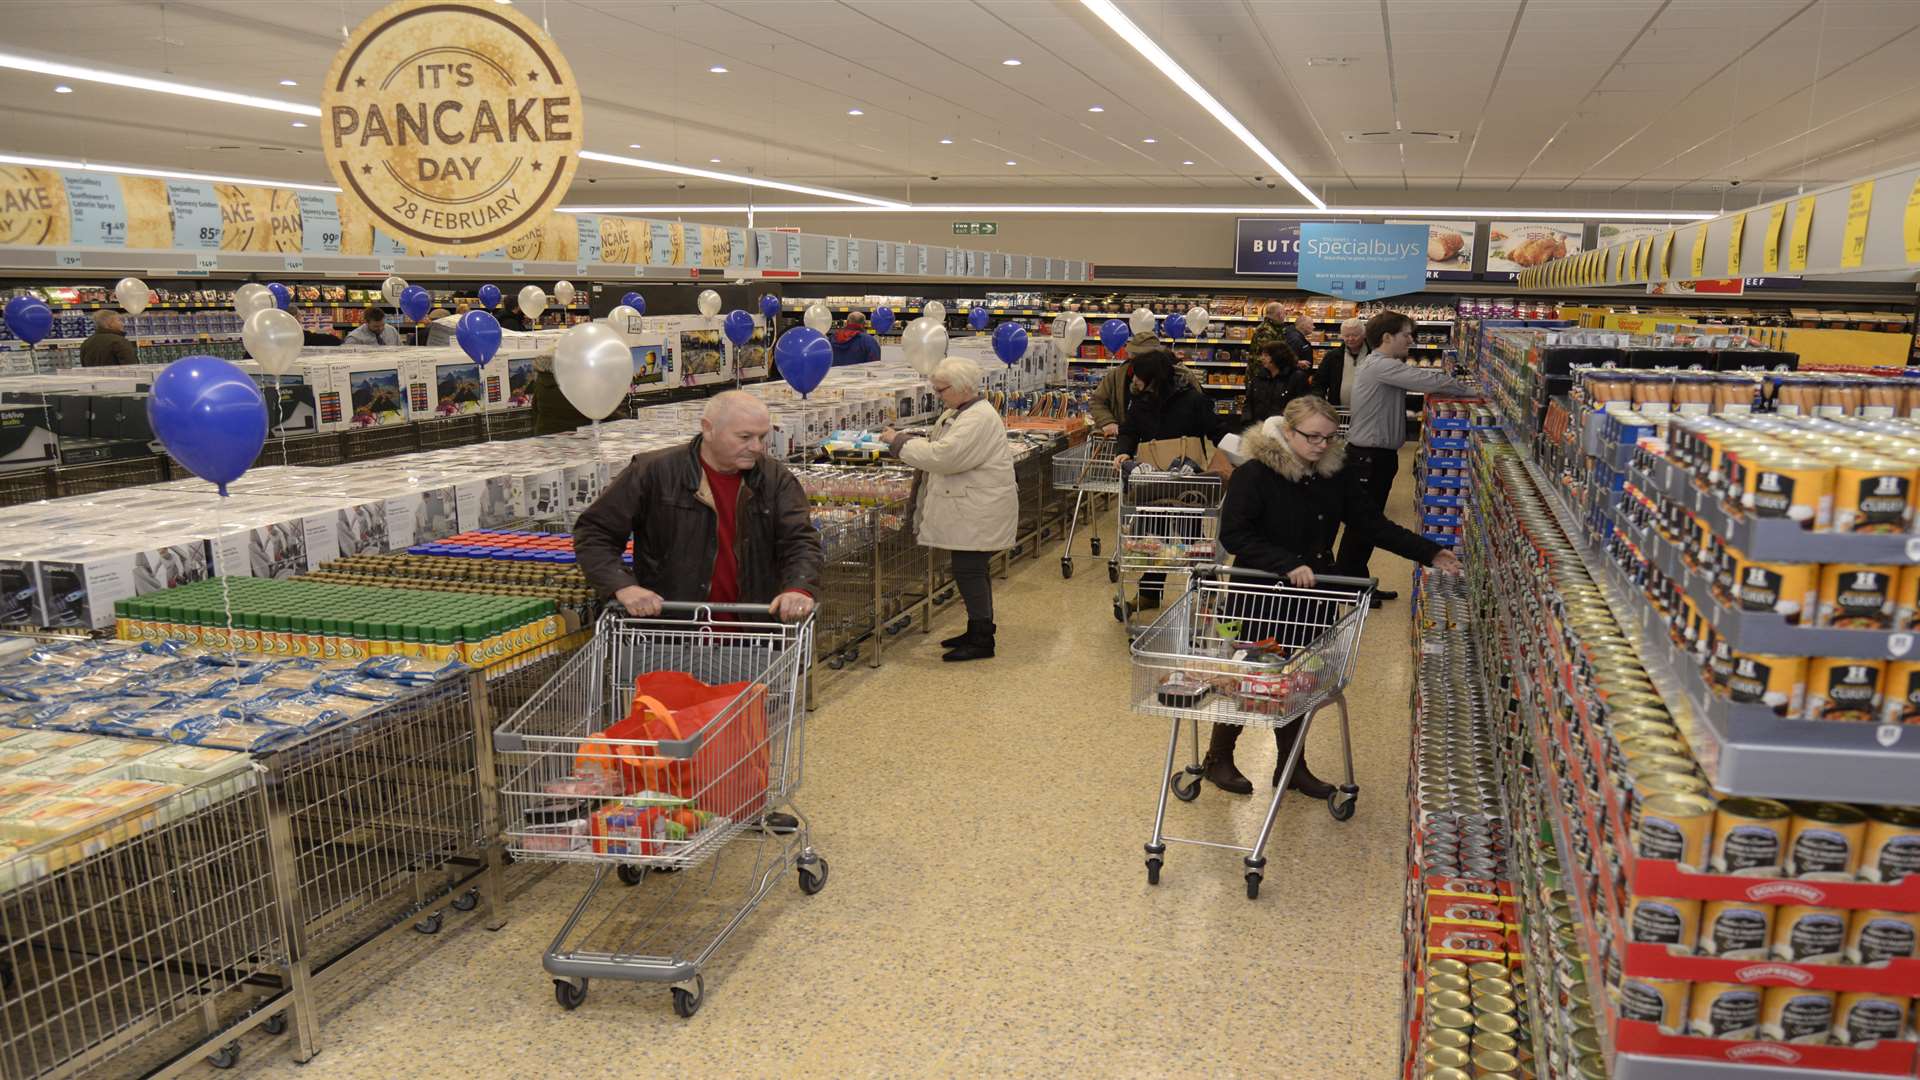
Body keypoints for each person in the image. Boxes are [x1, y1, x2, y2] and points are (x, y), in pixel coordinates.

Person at [1211, 396, 1463, 796]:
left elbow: (1371, 524)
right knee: (1250, 677)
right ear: (1287, 432)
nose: (1322, 446)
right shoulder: (1255, 474)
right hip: (1258, 593)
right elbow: (1235, 535)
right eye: (1312, 437)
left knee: (1300, 681)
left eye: (1330, 437)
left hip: (1312, 598)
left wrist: (1430, 552)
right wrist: (1286, 563)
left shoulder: (1333, 475)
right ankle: (1219, 758)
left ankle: (1292, 767)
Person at [574, 390, 821, 622]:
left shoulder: (775, 479)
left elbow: (800, 541)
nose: (757, 447)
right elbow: (595, 532)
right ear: (708, 429)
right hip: (672, 631)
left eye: (762, 437)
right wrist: (622, 586)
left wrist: (799, 588)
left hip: (756, 632)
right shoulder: (653, 472)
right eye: (745, 437)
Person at [880, 356, 1017, 662]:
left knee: (969, 570)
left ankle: (982, 640)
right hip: (971, 505)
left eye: (941, 390)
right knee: (971, 570)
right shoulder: (964, 412)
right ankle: (978, 629)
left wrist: (899, 442)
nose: (937, 396)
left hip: (975, 508)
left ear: (960, 388)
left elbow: (945, 457)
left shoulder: (976, 418)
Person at [1341, 311, 1475, 606]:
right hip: (1368, 458)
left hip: (1374, 457)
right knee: (1363, 524)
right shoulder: (1381, 365)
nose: (1411, 340)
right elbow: (1427, 379)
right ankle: (1351, 587)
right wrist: (1476, 390)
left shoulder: (1381, 365)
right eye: (1406, 335)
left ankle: (1357, 584)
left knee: (1365, 523)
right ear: (1387, 337)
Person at [1113, 337, 1239, 616]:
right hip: (1153, 481)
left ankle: (1206, 594)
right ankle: (1149, 594)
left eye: (1140, 377)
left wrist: (1244, 450)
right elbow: (1129, 431)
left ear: (1154, 379)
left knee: (1191, 539)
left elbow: (1215, 429)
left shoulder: (1192, 400)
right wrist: (1123, 451)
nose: (1135, 382)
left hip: (1187, 481)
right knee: (1154, 541)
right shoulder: (1141, 402)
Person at [1087, 339, 1203, 437]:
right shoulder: (1117, 375)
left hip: (1167, 446)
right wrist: (1107, 422)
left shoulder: (1181, 376)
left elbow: (1199, 412)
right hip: (1126, 440)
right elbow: (1097, 400)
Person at [1243, 340, 1310, 425]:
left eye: (1266, 355)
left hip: (1285, 429)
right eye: (1262, 355)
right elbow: (1248, 403)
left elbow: (1302, 407)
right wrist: (1247, 423)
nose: (1262, 358)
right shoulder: (1258, 377)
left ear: (1278, 356)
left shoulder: (1297, 378)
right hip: (1258, 429)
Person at [1312, 317, 1367, 408]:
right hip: (1339, 411)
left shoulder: (1373, 355)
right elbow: (1318, 383)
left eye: (1355, 335)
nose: (1350, 339)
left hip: (1368, 411)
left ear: (1364, 334)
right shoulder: (1332, 356)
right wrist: (1320, 402)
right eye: (1346, 335)